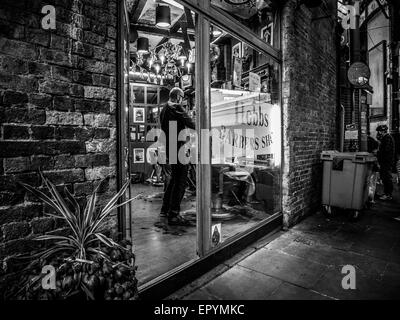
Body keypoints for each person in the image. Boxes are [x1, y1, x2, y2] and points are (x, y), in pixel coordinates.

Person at [159, 87, 195, 226]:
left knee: (174, 179)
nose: (183, 100)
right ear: (178, 97)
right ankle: (174, 214)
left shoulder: (164, 109)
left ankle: (165, 209)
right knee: (181, 181)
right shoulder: (176, 107)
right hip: (178, 148)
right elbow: (191, 123)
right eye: (182, 98)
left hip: (170, 147)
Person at [376, 125, 395, 201]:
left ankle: (388, 195)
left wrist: (378, 152)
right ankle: (386, 193)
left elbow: (385, 150)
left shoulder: (387, 138)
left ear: (382, 131)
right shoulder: (386, 138)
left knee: (387, 178)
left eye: (379, 131)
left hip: (387, 162)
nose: (378, 133)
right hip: (385, 161)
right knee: (385, 178)